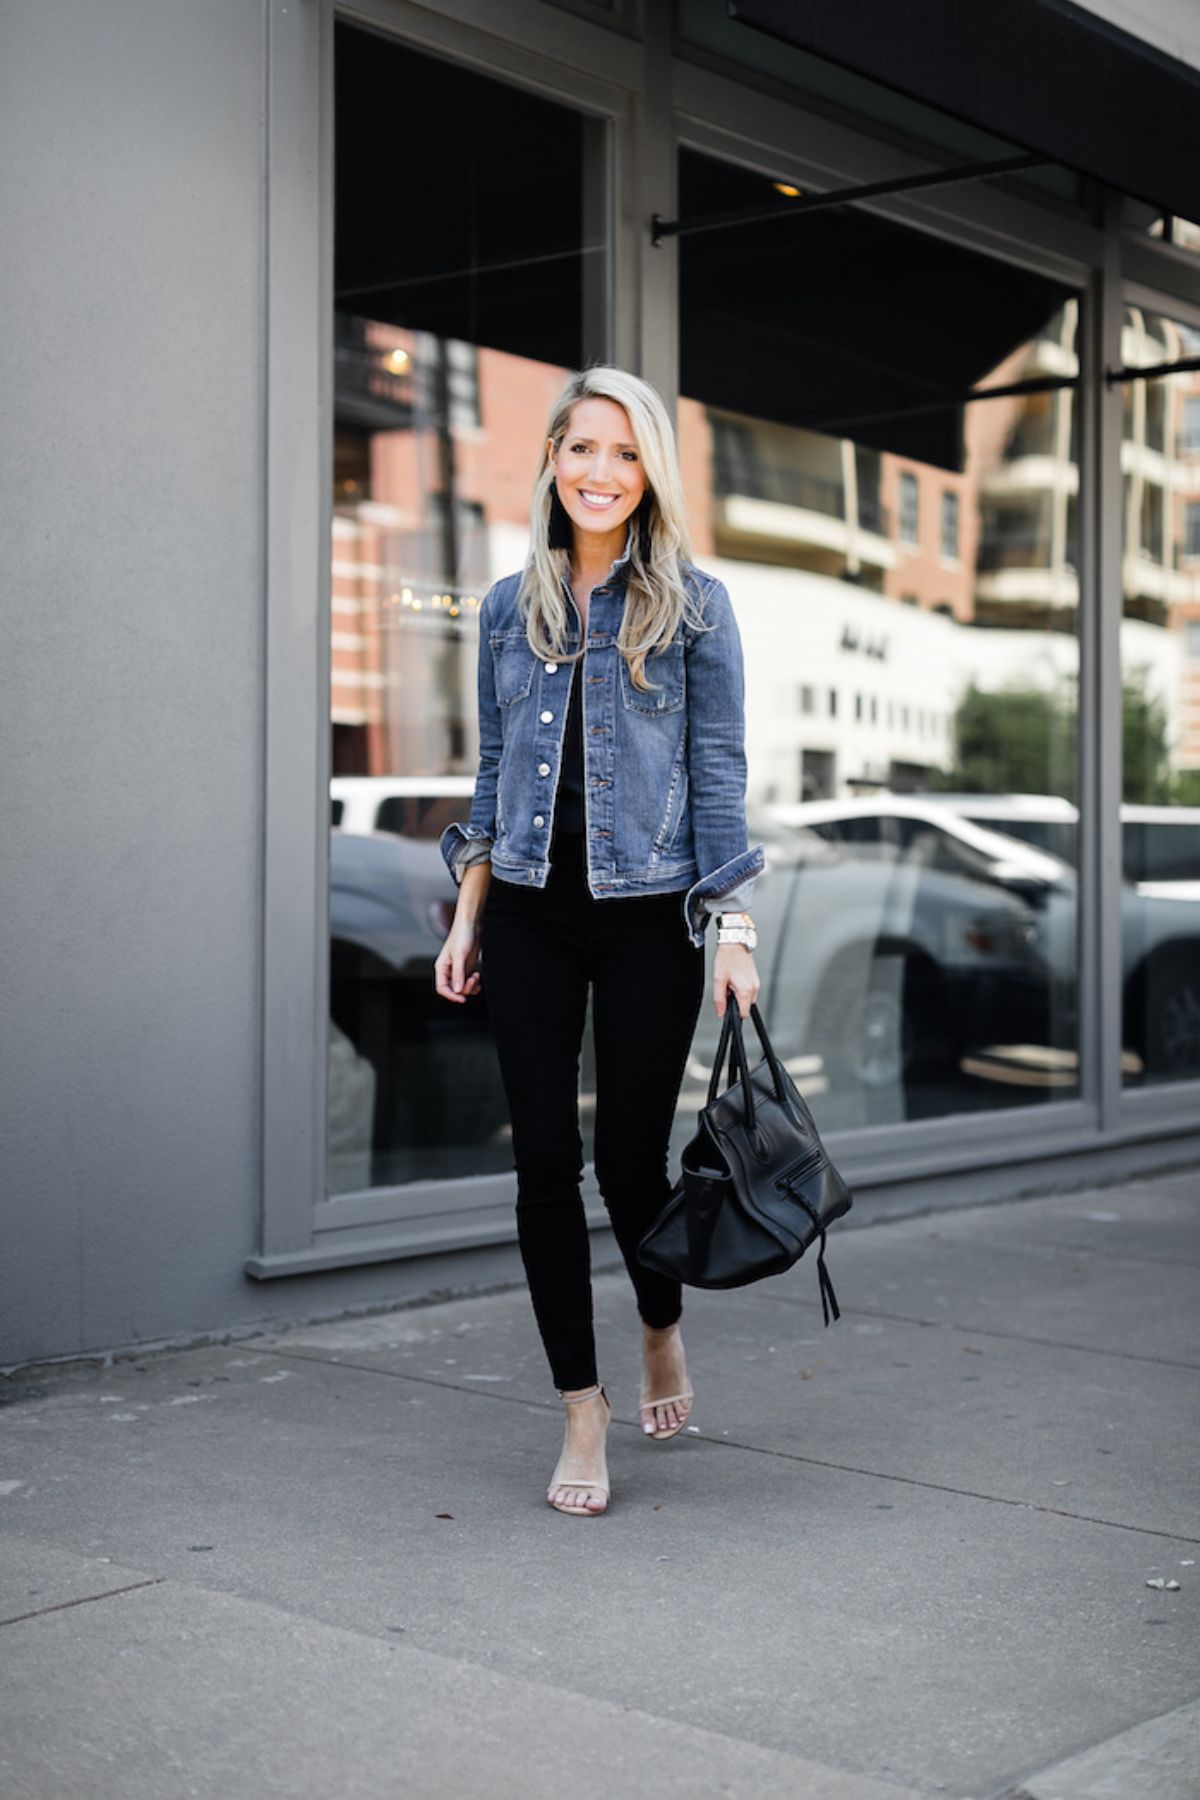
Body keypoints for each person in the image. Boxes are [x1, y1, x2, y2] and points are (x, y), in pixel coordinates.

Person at [434, 366, 763, 1517]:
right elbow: (488, 777)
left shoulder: (697, 606)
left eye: (625, 455)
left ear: (651, 474)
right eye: (582, 449)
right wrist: (468, 913)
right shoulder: (504, 607)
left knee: (632, 1163)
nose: (600, 474)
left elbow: (717, 777)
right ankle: (583, 1405)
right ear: (552, 462)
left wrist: (734, 928)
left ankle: (659, 1325)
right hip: (526, 907)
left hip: (647, 920)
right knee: (541, 1165)